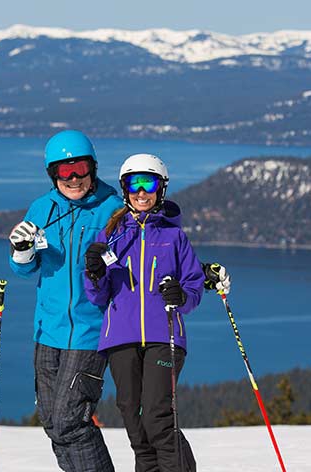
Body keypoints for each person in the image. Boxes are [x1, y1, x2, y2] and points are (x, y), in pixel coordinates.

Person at [84, 153, 214, 472]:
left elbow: (194, 285)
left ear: (161, 189)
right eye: (133, 184)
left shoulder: (174, 237)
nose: (141, 192)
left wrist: (181, 295)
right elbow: (97, 296)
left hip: (164, 336)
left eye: (149, 183)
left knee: (157, 416)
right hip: (121, 337)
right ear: (125, 189)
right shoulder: (110, 236)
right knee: (134, 421)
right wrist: (95, 273)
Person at [8, 130, 121, 472]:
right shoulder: (42, 208)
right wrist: (22, 252)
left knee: (71, 419)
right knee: (52, 422)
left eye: (80, 168)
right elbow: (25, 270)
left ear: (93, 168)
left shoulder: (112, 210)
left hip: (90, 330)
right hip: (48, 330)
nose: (73, 178)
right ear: (52, 174)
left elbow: (127, 268)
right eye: (64, 171)